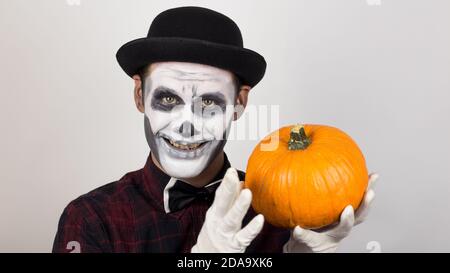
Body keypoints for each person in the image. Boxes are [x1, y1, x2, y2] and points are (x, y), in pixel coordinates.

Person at [53, 6, 377, 253]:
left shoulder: (282, 209)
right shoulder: (91, 220)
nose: (186, 123)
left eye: (209, 102)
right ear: (140, 96)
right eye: (167, 98)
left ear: (239, 103)